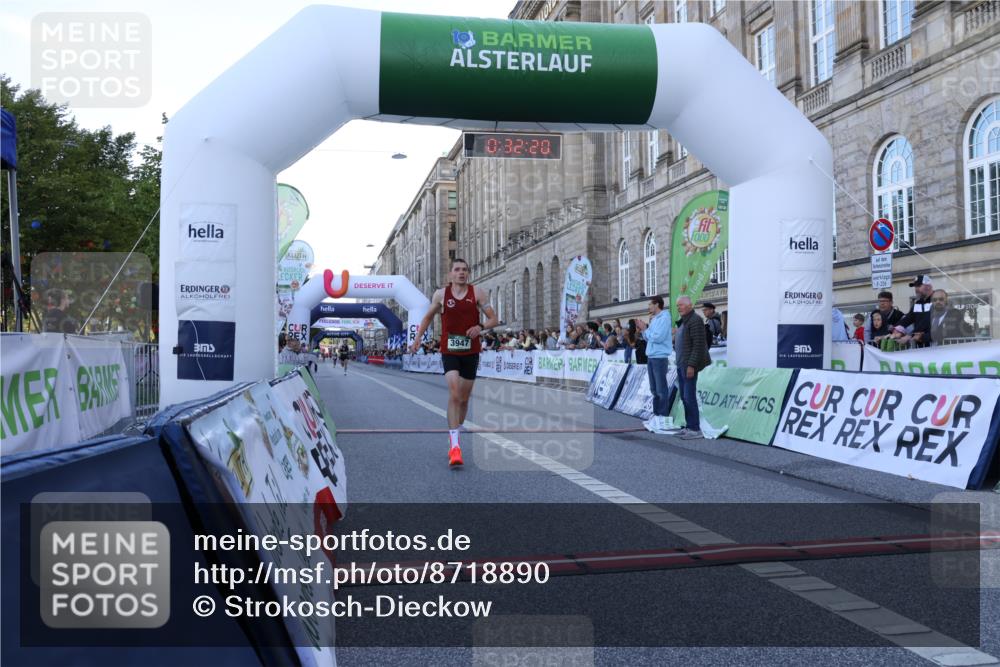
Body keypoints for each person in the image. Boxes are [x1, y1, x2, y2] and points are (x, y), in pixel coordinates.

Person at [409, 258, 498, 467]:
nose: (461, 273)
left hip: (471, 351)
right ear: (450, 274)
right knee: (455, 393)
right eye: (457, 270)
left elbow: (494, 319)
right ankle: (455, 446)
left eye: (465, 270)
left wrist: (481, 327)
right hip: (449, 349)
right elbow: (428, 317)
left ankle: (454, 433)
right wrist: (417, 338)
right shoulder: (441, 295)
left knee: (464, 399)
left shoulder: (478, 293)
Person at [674, 296, 711, 439]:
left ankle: (695, 429)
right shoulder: (684, 321)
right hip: (681, 364)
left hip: (688, 365)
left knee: (689, 397)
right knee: (684, 397)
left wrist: (691, 365)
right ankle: (689, 426)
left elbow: (698, 346)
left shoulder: (695, 320)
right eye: (677, 306)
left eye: (681, 305)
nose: (679, 308)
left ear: (689, 305)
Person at [637, 296, 675, 434]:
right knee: (654, 389)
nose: (648, 307)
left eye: (650, 304)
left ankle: (662, 416)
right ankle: (656, 415)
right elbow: (648, 338)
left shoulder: (664, 318)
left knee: (661, 388)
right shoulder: (654, 319)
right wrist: (644, 330)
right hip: (652, 356)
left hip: (659, 357)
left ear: (657, 304)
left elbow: (657, 337)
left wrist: (645, 329)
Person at [891, 275, 935, 348]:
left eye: (919, 286)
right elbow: (907, 319)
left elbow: (926, 323)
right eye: (915, 286)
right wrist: (896, 330)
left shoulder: (937, 300)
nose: (916, 289)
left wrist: (910, 336)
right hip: (920, 346)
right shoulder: (917, 303)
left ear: (928, 286)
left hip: (935, 346)